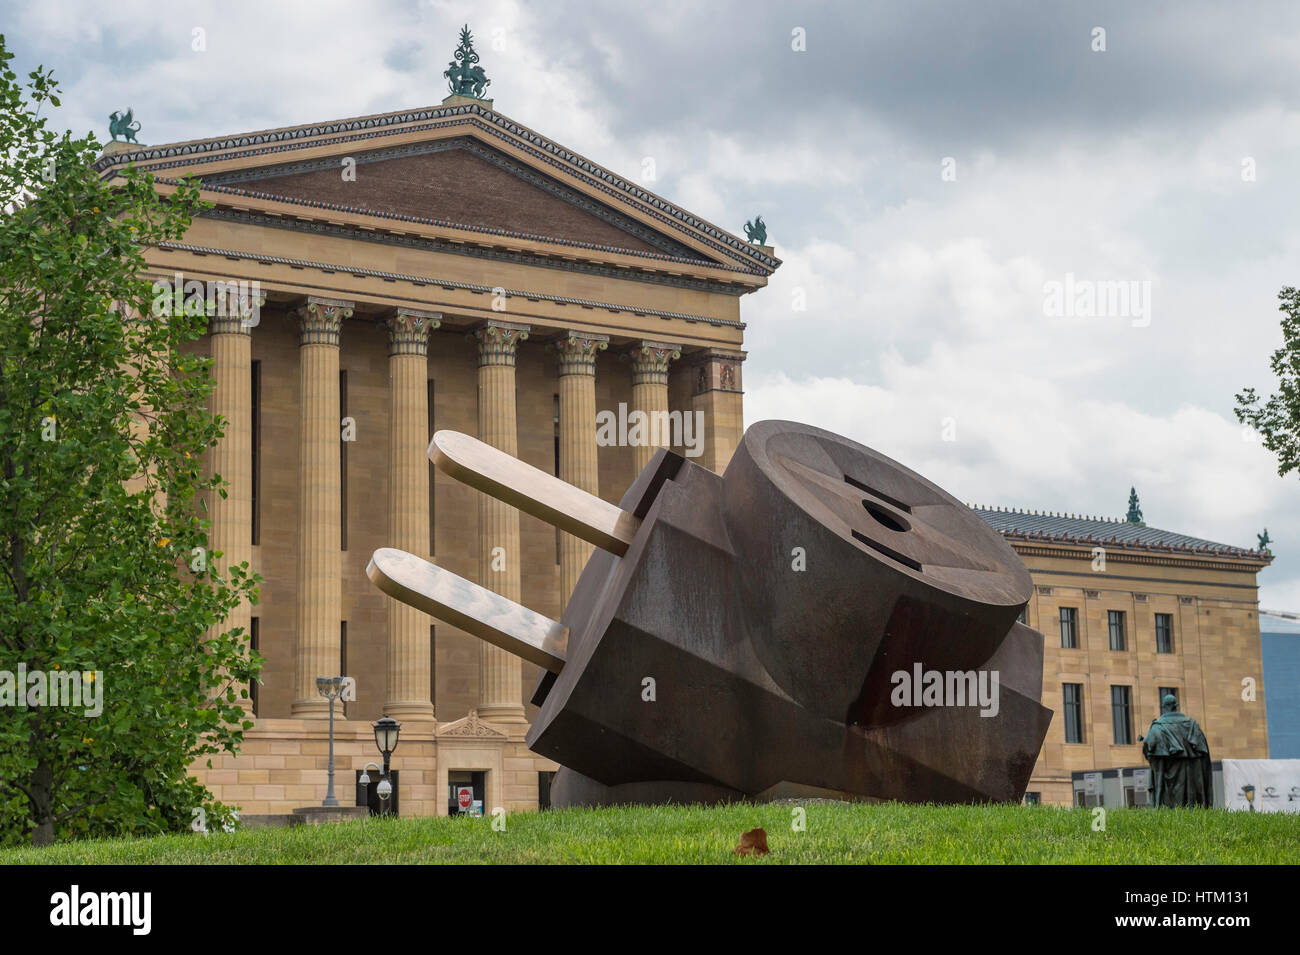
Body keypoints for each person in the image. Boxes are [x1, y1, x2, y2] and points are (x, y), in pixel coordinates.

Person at [1141, 694, 1212, 807]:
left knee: (1169, 810)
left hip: (1166, 784)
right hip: (1191, 781)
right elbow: (1203, 757)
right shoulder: (1192, 725)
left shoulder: (1157, 727)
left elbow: (1149, 748)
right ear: (1176, 706)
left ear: (1164, 707)